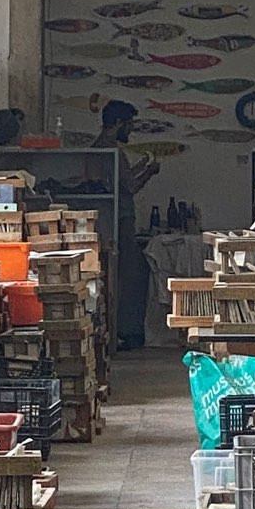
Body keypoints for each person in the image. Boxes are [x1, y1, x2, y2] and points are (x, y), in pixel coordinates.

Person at [95, 101, 159, 348]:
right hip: (121, 222)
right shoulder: (113, 152)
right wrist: (151, 172)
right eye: (129, 125)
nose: (130, 131)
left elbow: (121, 180)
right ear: (119, 123)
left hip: (107, 222)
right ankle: (121, 332)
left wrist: (140, 166)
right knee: (122, 278)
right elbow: (129, 187)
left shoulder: (98, 148)